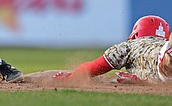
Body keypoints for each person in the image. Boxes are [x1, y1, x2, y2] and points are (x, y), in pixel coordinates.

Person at [23, 15, 172, 84]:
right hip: (162, 56)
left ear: (136, 33)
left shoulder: (129, 46)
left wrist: (70, 78)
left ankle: (168, 55)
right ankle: (168, 53)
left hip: (161, 60)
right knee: (165, 62)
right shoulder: (157, 44)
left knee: (165, 62)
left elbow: (93, 67)